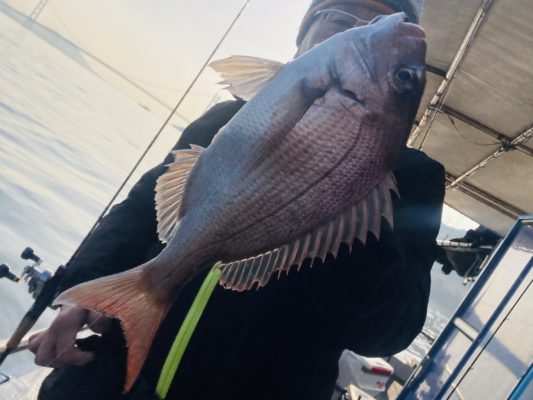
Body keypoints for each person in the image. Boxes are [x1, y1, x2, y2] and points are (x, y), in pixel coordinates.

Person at [29, 1, 444, 399]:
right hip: (108, 379)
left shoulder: (412, 178)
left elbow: (391, 330)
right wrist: (79, 296)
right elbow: (139, 212)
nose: (361, 30)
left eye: (401, 76)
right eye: (342, 19)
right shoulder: (224, 119)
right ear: (303, 36)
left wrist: (357, 204)